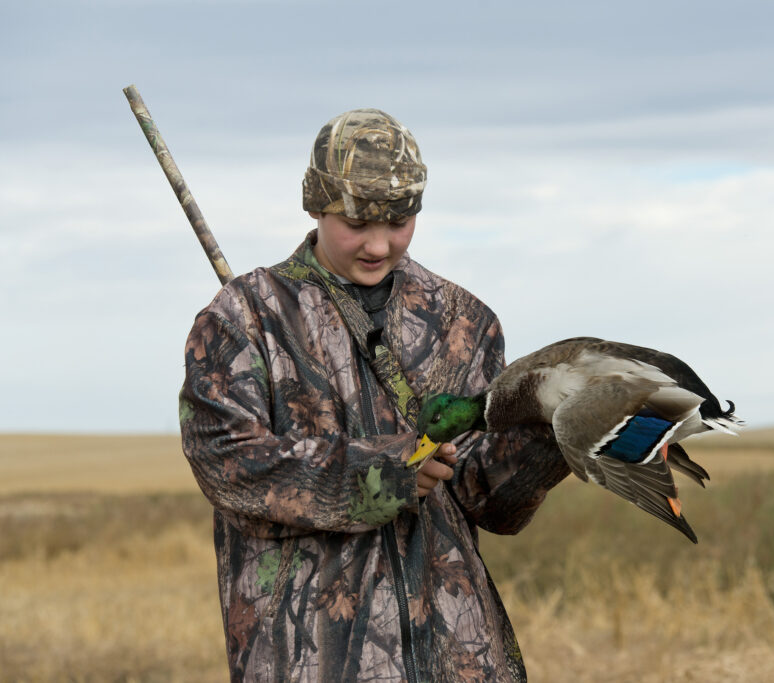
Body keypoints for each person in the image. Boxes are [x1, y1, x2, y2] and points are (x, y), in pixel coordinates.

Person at [179, 109, 570, 682]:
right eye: (357, 222)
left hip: (456, 657)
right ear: (316, 205)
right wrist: (386, 474)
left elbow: (490, 503)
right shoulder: (244, 319)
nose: (379, 244)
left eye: (400, 220)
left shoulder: (463, 322)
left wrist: (564, 433)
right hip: (307, 657)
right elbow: (228, 465)